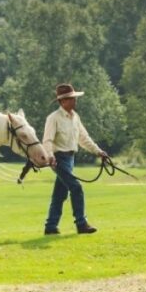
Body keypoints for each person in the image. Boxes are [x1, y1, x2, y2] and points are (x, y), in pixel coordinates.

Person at [42, 83, 108, 235]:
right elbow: (47, 140)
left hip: (70, 159)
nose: (75, 101)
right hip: (58, 159)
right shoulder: (53, 118)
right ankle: (81, 223)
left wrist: (98, 151)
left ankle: (51, 226)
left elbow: (83, 138)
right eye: (71, 98)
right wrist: (50, 156)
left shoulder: (75, 117)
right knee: (76, 188)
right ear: (63, 101)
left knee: (60, 194)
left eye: (74, 98)